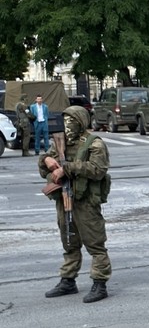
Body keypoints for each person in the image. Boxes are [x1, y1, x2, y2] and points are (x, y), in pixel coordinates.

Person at [38, 106, 112, 303]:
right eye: (66, 120)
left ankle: (99, 282)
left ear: (81, 122)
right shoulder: (60, 143)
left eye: (72, 120)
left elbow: (98, 169)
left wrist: (67, 168)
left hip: (86, 200)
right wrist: (47, 161)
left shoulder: (93, 144)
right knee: (69, 241)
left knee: (95, 243)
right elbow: (43, 164)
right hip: (64, 199)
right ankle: (68, 280)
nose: (68, 125)